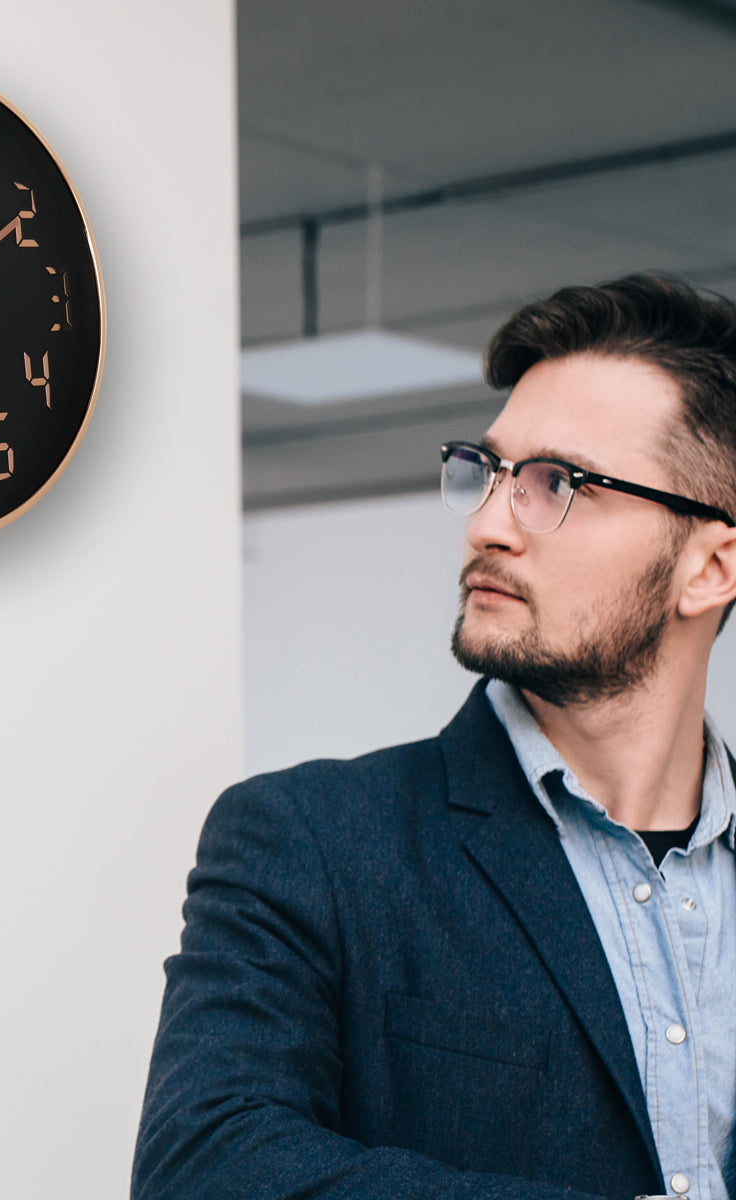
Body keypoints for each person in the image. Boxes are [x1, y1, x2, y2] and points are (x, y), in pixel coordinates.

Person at [132, 274, 736, 1200]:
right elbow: (204, 1170)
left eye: (556, 485)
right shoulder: (312, 841)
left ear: (709, 568)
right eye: (489, 473)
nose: (488, 525)